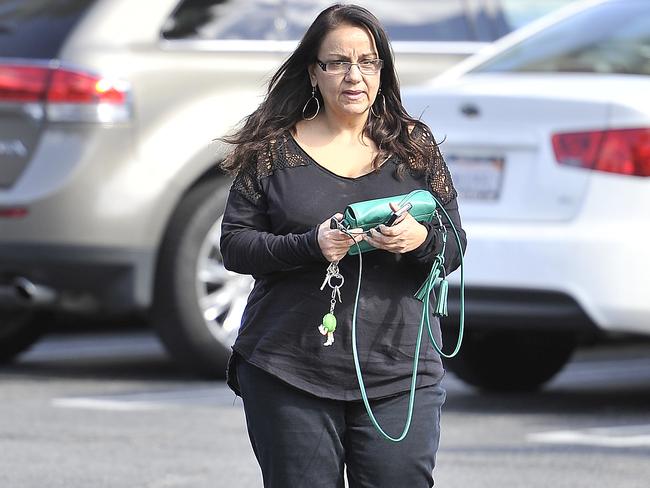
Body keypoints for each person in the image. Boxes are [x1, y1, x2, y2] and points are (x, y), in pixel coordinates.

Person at [219, 4, 466, 487]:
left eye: (368, 62)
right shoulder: (273, 150)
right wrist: (311, 245)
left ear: (382, 71)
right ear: (314, 72)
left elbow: (453, 244)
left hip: (399, 373)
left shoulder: (414, 145)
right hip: (290, 369)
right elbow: (235, 245)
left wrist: (417, 241)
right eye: (337, 62)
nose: (354, 76)